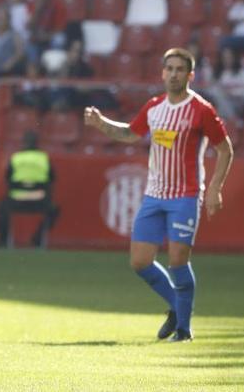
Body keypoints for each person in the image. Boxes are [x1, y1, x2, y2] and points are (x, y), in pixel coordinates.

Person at [84, 47, 234, 342]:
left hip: (186, 195)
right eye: (170, 68)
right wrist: (102, 123)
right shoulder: (154, 107)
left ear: (190, 75)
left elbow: (225, 149)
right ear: (162, 72)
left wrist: (215, 187)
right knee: (139, 261)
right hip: (154, 195)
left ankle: (184, 329)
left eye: (180, 69)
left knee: (178, 260)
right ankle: (177, 307)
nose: (174, 74)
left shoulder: (201, 110)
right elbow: (130, 132)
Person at [0, 131, 60, 248]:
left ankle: (4, 240)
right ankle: (38, 238)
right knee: (54, 210)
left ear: (24, 143)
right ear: (37, 143)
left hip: (16, 202)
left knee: (1, 208)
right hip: (40, 203)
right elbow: (52, 178)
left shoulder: (16, 158)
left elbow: (7, 178)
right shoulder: (43, 158)